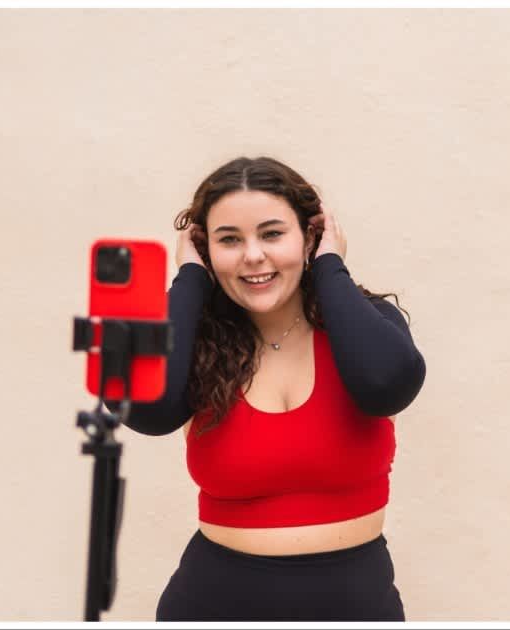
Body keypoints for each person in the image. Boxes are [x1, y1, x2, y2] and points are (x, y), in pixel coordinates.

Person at [121, 156, 426, 620]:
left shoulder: (363, 327)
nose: (253, 255)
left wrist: (329, 267)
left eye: (271, 233)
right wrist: (187, 280)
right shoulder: (195, 344)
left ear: (309, 235)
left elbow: (387, 384)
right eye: (229, 239)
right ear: (206, 250)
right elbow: (147, 409)